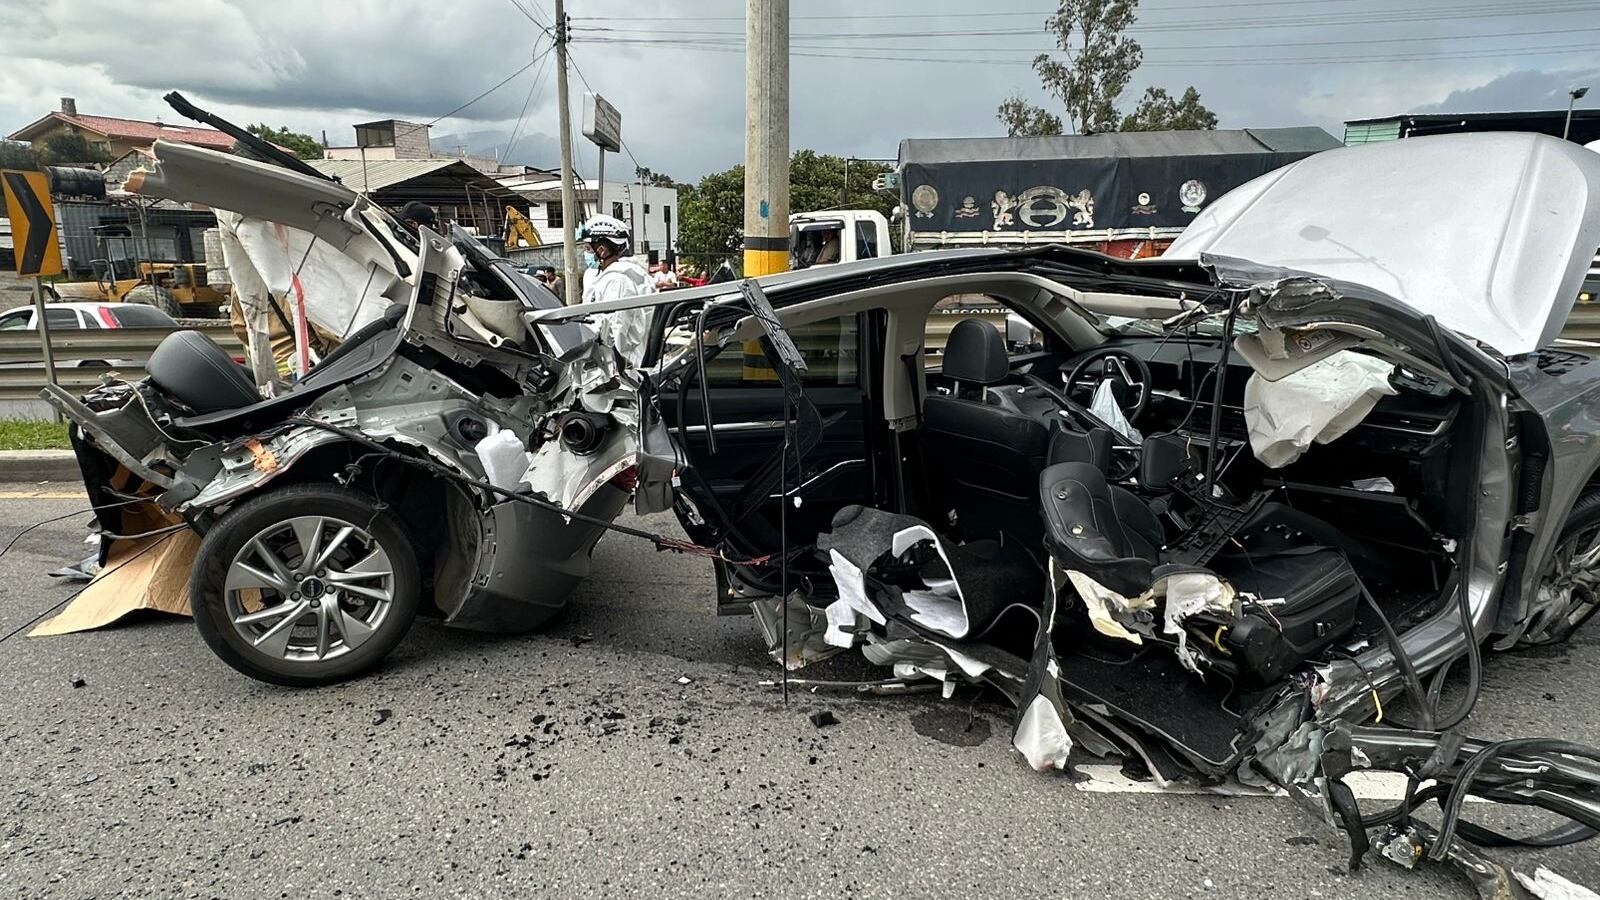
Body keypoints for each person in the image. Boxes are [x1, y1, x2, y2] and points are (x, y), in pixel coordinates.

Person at [578, 214, 655, 365]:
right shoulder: (609, 278)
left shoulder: (617, 282)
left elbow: (616, 333)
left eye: (588, 248)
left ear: (602, 250)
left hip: (618, 368)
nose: (586, 254)